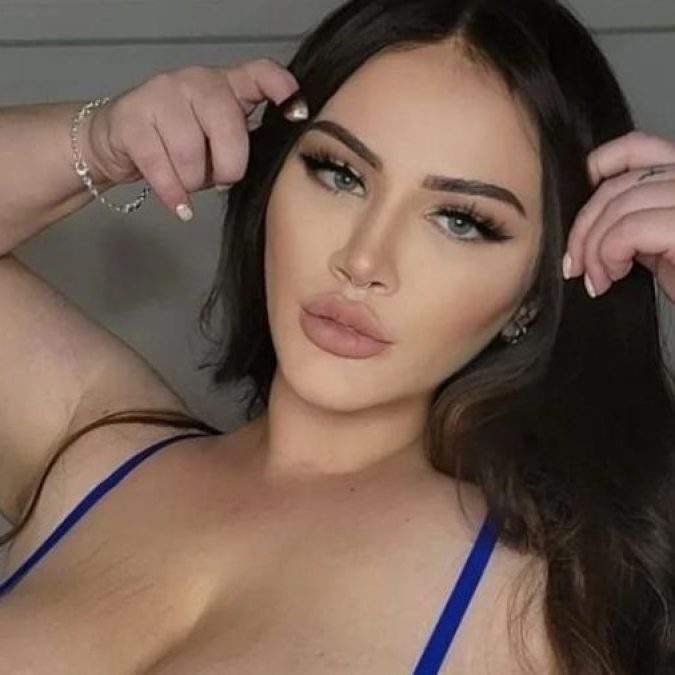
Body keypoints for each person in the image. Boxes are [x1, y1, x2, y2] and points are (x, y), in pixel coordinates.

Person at [0, 0, 674, 672]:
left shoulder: (548, 600)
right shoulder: (94, 449)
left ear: (533, 295)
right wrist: (102, 142)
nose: (363, 260)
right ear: (272, 179)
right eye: (340, 173)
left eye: (460, 221)